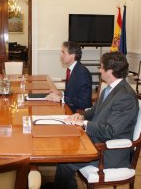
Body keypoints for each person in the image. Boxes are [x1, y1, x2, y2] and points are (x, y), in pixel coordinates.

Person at [53, 51, 139, 189]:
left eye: (101, 67)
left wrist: (84, 123)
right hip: (97, 140)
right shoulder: (109, 89)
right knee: (65, 148)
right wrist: (81, 116)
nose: (99, 70)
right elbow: (94, 111)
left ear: (110, 71)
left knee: (66, 161)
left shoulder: (125, 97)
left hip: (110, 151)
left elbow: (111, 130)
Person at [46, 41, 92, 112]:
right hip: (68, 108)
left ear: (73, 55)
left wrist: (62, 99)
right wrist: (61, 93)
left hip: (76, 113)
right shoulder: (71, 69)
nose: (61, 55)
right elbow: (73, 92)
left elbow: (84, 102)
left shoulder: (82, 73)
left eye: (63, 52)